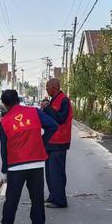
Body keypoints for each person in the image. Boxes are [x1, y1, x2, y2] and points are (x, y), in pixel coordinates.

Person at [0, 89, 58, 224]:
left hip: (16, 165)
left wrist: (5, 170)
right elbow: (53, 126)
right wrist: (42, 142)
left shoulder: (4, 122)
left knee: (12, 199)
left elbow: (4, 149)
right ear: (18, 100)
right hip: (37, 162)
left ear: (5, 105)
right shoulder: (34, 112)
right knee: (37, 198)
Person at [41, 78, 73, 208]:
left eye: (48, 88)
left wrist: (48, 108)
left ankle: (60, 200)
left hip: (59, 142)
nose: (47, 90)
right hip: (50, 141)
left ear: (55, 87)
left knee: (57, 173)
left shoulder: (64, 100)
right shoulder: (53, 100)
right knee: (49, 173)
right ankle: (52, 196)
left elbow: (60, 119)